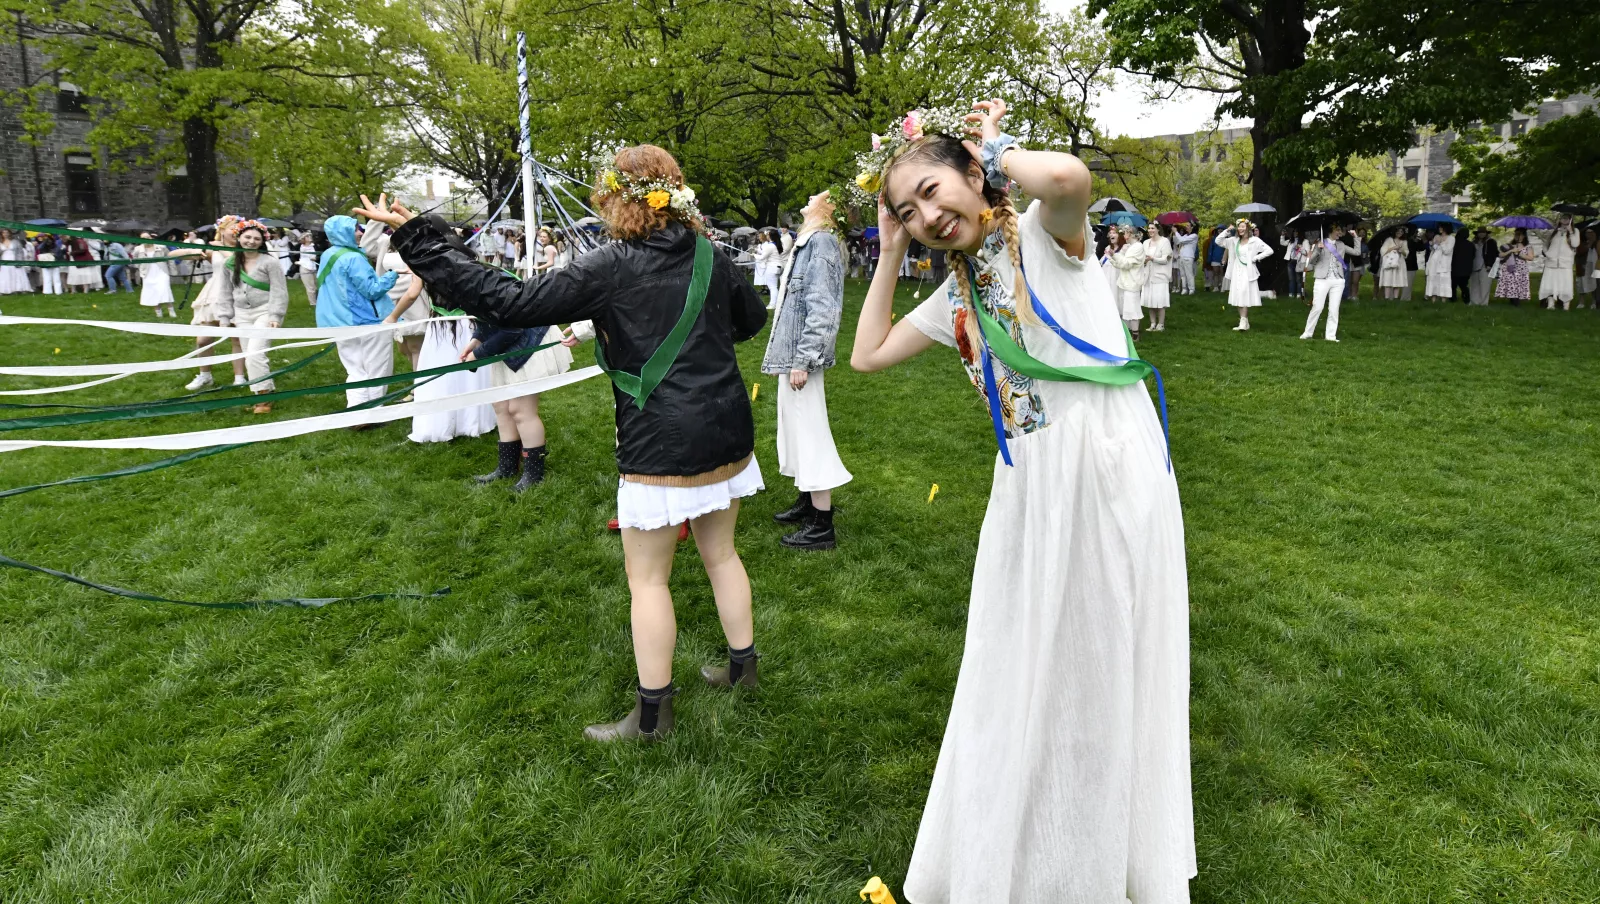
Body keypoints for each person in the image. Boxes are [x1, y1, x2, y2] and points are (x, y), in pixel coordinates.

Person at [849, 98, 1192, 903]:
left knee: (1103, 655)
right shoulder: (955, 297)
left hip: (1103, 467)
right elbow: (865, 355)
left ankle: (1106, 857)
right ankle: (1040, 837)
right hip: (1031, 485)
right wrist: (889, 252)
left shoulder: (1048, 235)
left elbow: (1072, 177)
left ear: (974, 177)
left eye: (935, 191)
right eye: (908, 209)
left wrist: (990, 149)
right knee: (1024, 657)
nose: (929, 214)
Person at [362, 143, 769, 744]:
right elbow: (750, 319)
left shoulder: (611, 264)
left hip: (661, 437)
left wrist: (421, 240)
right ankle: (744, 671)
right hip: (728, 425)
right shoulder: (710, 254)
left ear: (613, 197)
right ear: (675, 191)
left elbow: (509, 301)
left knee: (649, 580)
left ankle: (653, 718)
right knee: (722, 555)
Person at [761, 189, 852, 550]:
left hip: (803, 360)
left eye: (817, 196)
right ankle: (807, 498)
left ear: (827, 209)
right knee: (795, 431)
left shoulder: (823, 242)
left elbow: (823, 306)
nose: (809, 198)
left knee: (810, 435)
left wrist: (805, 359)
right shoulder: (808, 242)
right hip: (794, 357)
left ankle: (821, 524)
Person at [317, 214, 399, 412]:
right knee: (377, 367)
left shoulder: (328, 254)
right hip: (366, 320)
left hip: (338, 322)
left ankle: (357, 408)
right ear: (343, 232)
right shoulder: (353, 258)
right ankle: (373, 410)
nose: (360, 232)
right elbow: (372, 289)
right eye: (355, 229)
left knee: (354, 368)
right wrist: (392, 275)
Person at [217, 220, 289, 413]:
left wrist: (275, 314)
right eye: (247, 237)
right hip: (241, 315)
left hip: (265, 311)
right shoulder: (229, 263)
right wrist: (224, 317)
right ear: (239, 238)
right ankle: (266, 389)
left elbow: (279, 291)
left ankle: (263, 397)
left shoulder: (270, 262)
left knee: (255, 354)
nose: (251, 241)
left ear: (262, 241)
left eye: (256, 238)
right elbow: (224, 291)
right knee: (248, 355)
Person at [170, 219, 249, 390]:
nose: (236, 230)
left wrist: (219, 248)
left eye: (239, 228)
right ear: (222, 229)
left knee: (237, 337)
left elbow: (239, 265)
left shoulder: (246, 248)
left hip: (237, 292)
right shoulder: (212, 249)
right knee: (203, 339)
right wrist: (195, 250)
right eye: (232, 227)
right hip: (215, 292)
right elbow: (174, 255)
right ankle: (205, 376)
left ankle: (240, 378)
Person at [1301, 223, 1356, 342]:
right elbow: (1311, 261)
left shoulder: (1341, 244)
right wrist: (1318, 250)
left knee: (1334, 309)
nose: (1340, 233)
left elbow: (1356, 252)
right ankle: (1307, 333)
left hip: (1338, 280)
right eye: (1338, 230)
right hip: (1322, 279)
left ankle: (1331, 336)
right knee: (1317, 307)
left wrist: (1356, 237)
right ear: (1331, 230)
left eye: (1340, 231)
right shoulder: (1319, 243)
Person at [1220, 219, 1272, 330]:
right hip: (1236, 270)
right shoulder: (1234, 240)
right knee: (1238, 295)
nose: (1241, 229)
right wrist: (1227, 231)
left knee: (1243, 294)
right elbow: (1218, 241)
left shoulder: (1255, 241)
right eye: (1239, 227)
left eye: (1243, 227)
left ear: (1248, 228)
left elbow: (1269, 250)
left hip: (1247, 271)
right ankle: (1244, 321)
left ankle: (1243, 321)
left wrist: (1256, 258)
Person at [1111, 223, 1147, 338]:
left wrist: (1115, 255)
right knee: (1126, 308)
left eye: (1125, 232)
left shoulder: (1137, 247)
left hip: (1132, 282)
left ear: (1130, 234)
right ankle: (1127, 333)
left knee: (1133, 308)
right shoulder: (1131, 247)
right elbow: (1122, 265)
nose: (1123, 235)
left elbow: (1126, 264)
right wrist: (1112, 258)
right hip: (1126, 282)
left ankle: (1135, 334)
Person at [1537, 218, 1579, 309]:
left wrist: (1570, 231)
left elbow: (1575, 244)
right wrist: (1548, 254)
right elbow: (1546, 244)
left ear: (1570, 219)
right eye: (1562, 217)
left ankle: (1566, 306)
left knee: (1565, 285)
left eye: (1566, 217)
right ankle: (1551, 305)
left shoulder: (1575, 231)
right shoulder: (1553, 231)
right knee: (1549, 284)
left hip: (1565, 264)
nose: (1564, 220)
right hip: (1551, 263)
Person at [133, 234, 178, 318]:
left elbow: (170, 258)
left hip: (161, 272)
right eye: (143, 238)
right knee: (153, 293)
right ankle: (158, 313)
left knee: (165, 290)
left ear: (151, 237)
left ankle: (171, 311)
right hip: (148, 274)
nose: (146, 239)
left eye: (147, 237)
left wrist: (173, 271)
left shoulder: (161, 247)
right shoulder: (138, 249)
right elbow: (134, 259)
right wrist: (140, 267)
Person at [1142, 221, 1173, 331]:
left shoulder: (1164, 242)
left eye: (1152, 228)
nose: (1150, 230)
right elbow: (1142, 258)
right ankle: (1152, 323)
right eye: (1149, 228)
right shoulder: (1145, 243)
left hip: (1160, 275)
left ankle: (1161, 324)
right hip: (1148, 275)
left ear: (1158, 229)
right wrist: (1144, 261)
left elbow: (1166, 259)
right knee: (1150, 301)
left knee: (1159, 301)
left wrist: (1153, 259)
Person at [1496, 229, 1536, 306]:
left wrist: (1520, 254)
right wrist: (1511, 251)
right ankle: (1512, 301)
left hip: (1521, 268)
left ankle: (1516, 302)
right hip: (1509, 267)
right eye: (1516, 234)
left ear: (1524, 236)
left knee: (1518, 284)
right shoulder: (1509, 245)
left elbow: (1531, 258)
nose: (1518, 236)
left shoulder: (1528, 246)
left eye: (1520, 235)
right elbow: (1501, 255)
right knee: (1511, 284)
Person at [1424, 225, 1454, 302]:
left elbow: (1447, 251)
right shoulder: (1437, 236)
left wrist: (1442, 242)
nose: (1440, 229)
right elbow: (1433, 249)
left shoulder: (1451, 238)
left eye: (1442, 227)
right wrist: (1432, 244)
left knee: (1443, 282)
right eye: (1439, 227)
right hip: (1434, 263)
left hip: (1444, 264)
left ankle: (1443, 301)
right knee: (1433, 281)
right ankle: (1433, 300)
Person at [1469, 227, 1497, 306]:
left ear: (1486, 233)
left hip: (1485, 266)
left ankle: (1483, 303)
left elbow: (1494, 254)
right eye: (1480, 232)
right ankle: (1474, 301)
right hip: (1474, 265)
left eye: (1483, 232)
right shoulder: (1473, 242)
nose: (1481, 234)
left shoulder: (1491, 242)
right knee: (1474, 285)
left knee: (1485, 285)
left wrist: (1489, 264)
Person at [1378, 226, 1408, 299]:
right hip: (1389, 263)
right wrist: (1393, 248)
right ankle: (1387, 298)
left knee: (1397, 282)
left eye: (1401, 232)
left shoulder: (1404, 242)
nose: (1399, 233)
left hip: (1399, 263)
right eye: (1398, 231)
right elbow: (1382, 251)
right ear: (1395, 231)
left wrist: (1402, 251)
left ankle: (1395, 298)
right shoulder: (1389, 240)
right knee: (1388, 281)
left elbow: (1406, 253)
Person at [753, 229, 781, 306]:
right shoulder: (772, 245)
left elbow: (762, 257)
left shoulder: (770, 246)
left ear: (770, 236)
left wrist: (754, 255)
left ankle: (773, 304)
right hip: (775, 266)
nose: (766, 236)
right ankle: (776, 303)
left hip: (772, 267)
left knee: (772, 287)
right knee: (773, 287)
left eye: (768, 235)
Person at [1450, 224, 1475, 303]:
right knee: (1464, 286)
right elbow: (1473, 256)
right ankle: (1466, 299)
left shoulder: (1454, 243)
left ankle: (1453, 298)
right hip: (1466, 269)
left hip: (1454, 268)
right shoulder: (1471, 245)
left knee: (1453, 285)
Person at [0, 229, 30, 296]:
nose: (5, 234)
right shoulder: (0, 242)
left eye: (7, 232)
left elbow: (20, 251)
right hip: (4, 259)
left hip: (14, 258)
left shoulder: (15, 241)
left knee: (17, 273)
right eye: (3, 233)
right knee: (5, 274)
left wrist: (19, 261)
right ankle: (5, 290)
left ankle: (19, 289)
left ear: (10, 233)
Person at [1172, 221, 1198, 294]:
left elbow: (1182, 240)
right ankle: (1184, 289)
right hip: (1181, 256)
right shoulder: (1185, 235)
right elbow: (1177, 242)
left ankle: (1191, 289)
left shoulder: (1194, 236)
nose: (1186, 226)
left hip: (1188, 257)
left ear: (1192, 227)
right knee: (1182, 274)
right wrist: (1174, 232)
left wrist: (1176, 232)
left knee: (1189, 273)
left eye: (1188, 225)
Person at [1344, 227, 1368, 301]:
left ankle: (1354, 295)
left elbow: (1365, 254)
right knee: (1349, 280)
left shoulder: (1365, 244)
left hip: (1358, 263)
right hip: (1350, 261)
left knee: (1355, 281)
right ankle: (1349, 295)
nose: (1362, 234)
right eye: (1361, 232)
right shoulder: (1351, 240)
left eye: (1364, 233)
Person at [297, 230, 319, 306]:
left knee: (316, 286)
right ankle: (313, 304)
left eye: (310, 236)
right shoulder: (303, 248)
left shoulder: (312, 246)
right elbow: (312, 257)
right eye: (307, 236)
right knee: (311, 288)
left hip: (313, 268)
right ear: (303, 239)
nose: (310, 237)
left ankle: (318, 301)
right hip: (306, 268)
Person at [1577, 228, 1598, 308]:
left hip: (1594, 264)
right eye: (1588, 232)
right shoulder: (1580, 242)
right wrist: (1589, 244)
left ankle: (1594, 301)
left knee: (1594, 282)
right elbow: (1579, 252)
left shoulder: (1597, 243)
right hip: (1583, 265)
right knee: (1582, 282)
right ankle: (1581, 302)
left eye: (1592, 232)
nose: (1590, 234)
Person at [1283, 230, 1308, 298]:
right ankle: (1291, 294)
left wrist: (1300, 248)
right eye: (1294, 232)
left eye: (1297, 232)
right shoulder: (1291, 241)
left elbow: (1307, 253)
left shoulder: (1305, 241)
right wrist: (1282, 235)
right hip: (1291, 261)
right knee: (1291, 279)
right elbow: (1282, 243)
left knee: (1298, 279)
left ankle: (1299, 294)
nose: (1295, 233)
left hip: (1299, 262)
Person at [1205, 226, 1225, 291]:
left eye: (1221, 230)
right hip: (1215, 258)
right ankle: (1215, 287)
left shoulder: (1226, 239)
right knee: (1215, 273)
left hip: (1223, 258)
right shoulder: (1214, 239)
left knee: (1221, 273)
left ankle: (1221, 286)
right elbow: (1210, 249)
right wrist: (1209, 258)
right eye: (1219, 230)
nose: (1220, 231)